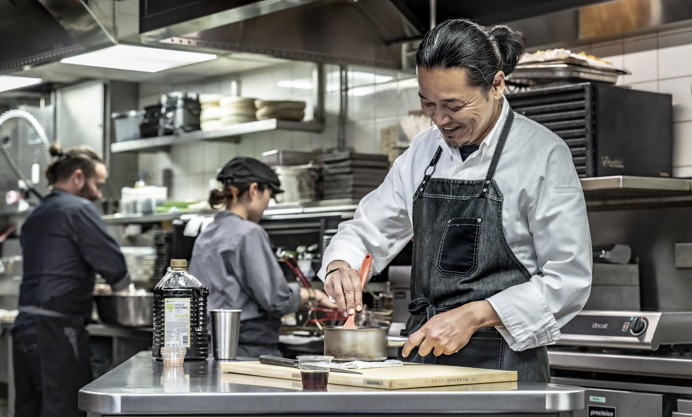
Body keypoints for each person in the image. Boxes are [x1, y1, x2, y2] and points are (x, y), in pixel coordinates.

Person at [318, 18, 592, 383]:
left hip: (503, 367)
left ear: (497, 85)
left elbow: (568, 280)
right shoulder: (422, 151)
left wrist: (474, 316)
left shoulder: (542, 154)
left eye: (453, 105)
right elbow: (368, 230)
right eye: (427, 104)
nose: (440, 119)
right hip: (422, 362)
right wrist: (341, 265)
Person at [12, 144, 131, 417]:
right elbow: (113, 265)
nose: (99, 194)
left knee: (28, 410)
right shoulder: (77, 209)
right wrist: (122, 287)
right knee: (65, 410)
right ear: (78, 177)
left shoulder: (36, 213)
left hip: (25, 327)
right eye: (97, 185)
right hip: (57, 330)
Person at [188, 156, 336, 358]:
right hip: (248, 348)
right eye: (269, 194)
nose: (268, 203)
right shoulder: (249, 232)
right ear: (254, 190)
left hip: (209, 347)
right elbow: (275, 299)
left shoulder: (206, 233)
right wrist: (313, 295)